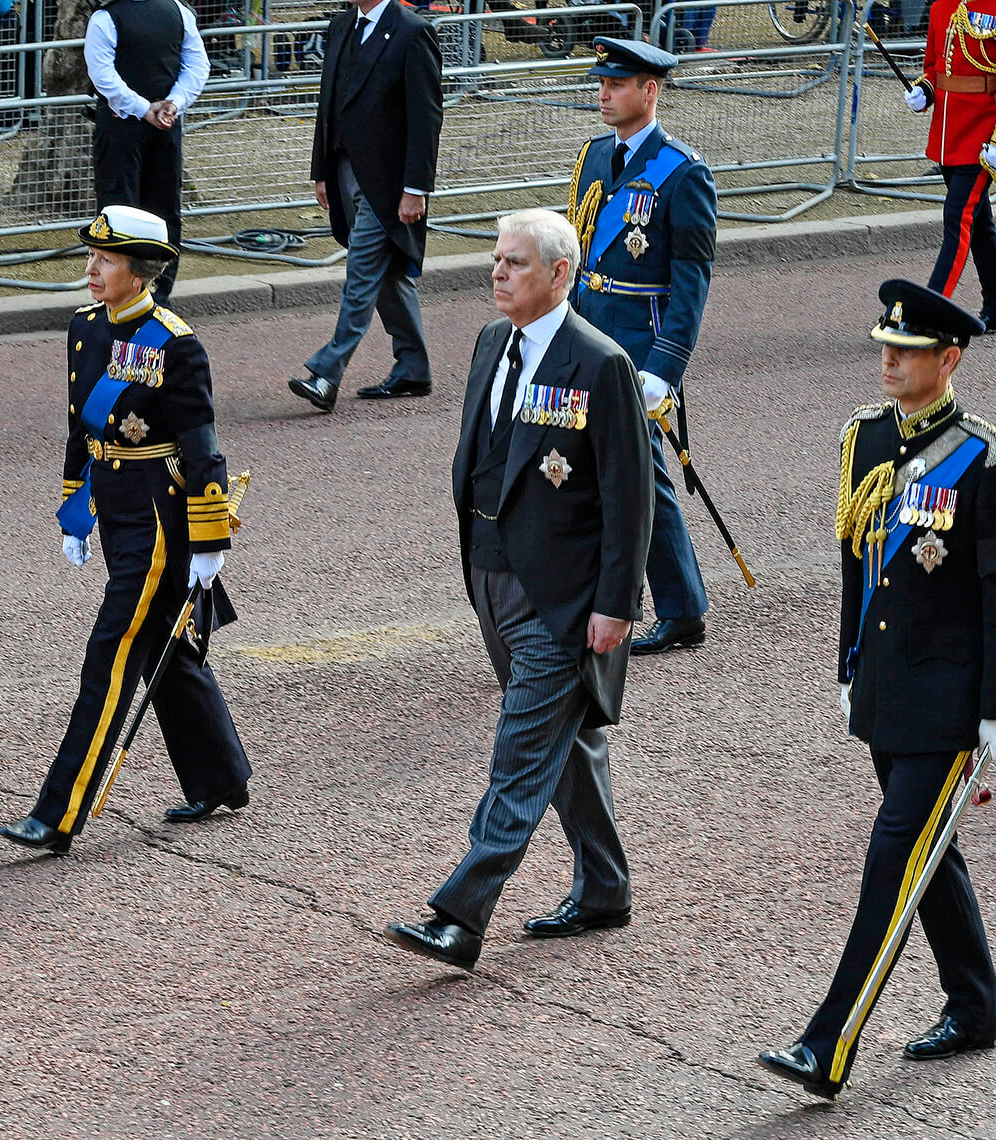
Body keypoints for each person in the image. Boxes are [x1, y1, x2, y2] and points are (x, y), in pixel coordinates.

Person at [758, 280, 996, 1101]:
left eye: (907, 351)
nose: (889, 358)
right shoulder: (864, 439)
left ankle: (826, 1045)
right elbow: (855, 562)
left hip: (951, 701)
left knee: (891, 858)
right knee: (927, 855)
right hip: (887, 688)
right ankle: (973, 1005)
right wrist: (848, 667)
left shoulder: (988, 460)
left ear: (948, 360)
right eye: (885, 345)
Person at [384, 209, 651, 972]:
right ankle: (603, 886)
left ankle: (459, 914)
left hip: (563, 596)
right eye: (496, 261)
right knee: (568, 744)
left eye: (517, 264)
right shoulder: (489, 344)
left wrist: (615, 604)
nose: (498, 274)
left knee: (520, 749)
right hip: (492, 577)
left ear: (560, 274)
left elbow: (631, 498)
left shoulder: (598, 364)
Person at [0, 205, 250, 855]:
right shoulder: (84, 328)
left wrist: (209, 540)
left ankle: (58, 813)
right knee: (168, 648)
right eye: (92, 258)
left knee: (109, 657)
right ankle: (221, 776)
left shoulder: (174, 343)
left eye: (106, 261)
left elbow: (202, 449)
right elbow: (80, 428)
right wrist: (73, 512)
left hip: (161, 519)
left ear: (140, 273)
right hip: (113, 507)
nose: (91, 270)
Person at [565, 37, 716, 655]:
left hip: (637, 350)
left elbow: (690, 284)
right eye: (602, 83)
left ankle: (679, 608)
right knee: (582, 467)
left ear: (650, 91)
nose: (604, 94)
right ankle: (609, 596)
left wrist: (666, 368)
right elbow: (577, 253)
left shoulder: (683, 172)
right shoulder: (595, 155)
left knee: (641, 477)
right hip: (587, 332)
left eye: (618, 84)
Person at [288, 0, 442, 412]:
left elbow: (426, 116)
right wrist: (321, 169)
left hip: (389, 184)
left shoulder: (412, 31)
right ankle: (413, 368)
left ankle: (327, 373)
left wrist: (416, 189)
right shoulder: (341, 25)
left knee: (361, 271)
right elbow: (329, 101)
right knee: (388, 273)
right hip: (345, 169)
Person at [903, 0, 996, 332]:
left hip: (982, 138)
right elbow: (936, 68)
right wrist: (925, 89)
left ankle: (930, 309)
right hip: (948, 138)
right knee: (979, 223)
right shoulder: (940, 7)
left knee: (957, 218)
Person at [84, 0, 208, 304]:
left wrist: (143, 109)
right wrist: (173, 104)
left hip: (121, 127)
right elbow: (198, 66)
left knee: (117, 210)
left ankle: (118, 296)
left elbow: (103, 76)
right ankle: (159, 294)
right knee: (164, 211)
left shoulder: (105, 17)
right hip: (166, 124)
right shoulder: (178, 10)